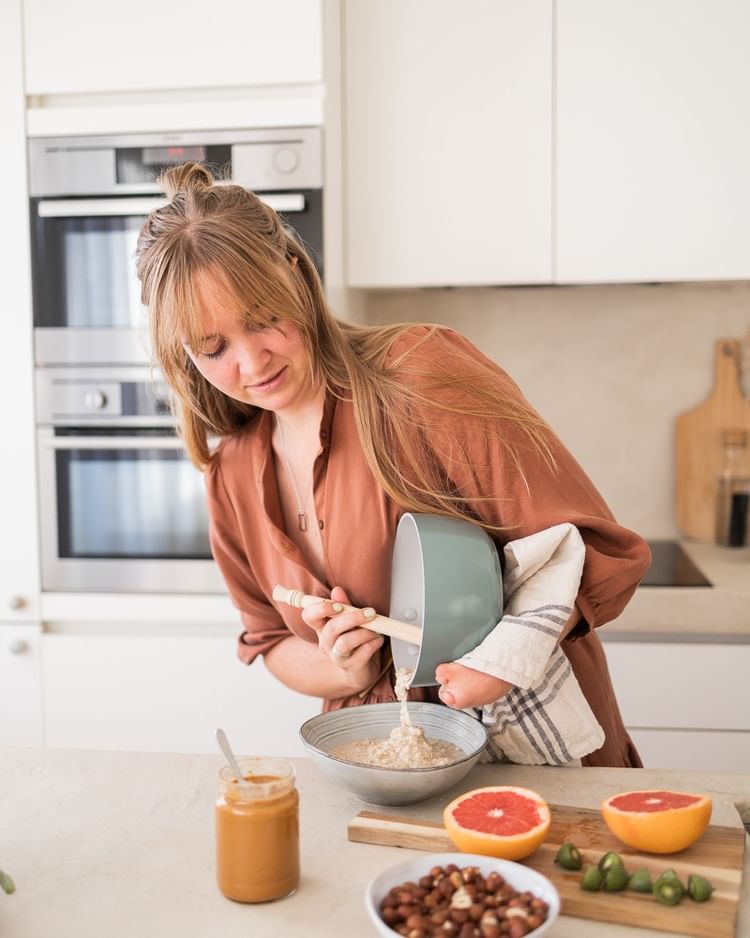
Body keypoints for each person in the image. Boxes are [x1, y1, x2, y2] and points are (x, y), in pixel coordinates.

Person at [135, 162, 651, 768]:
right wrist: (336, 666)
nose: (251, 362)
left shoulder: (421, 376)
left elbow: (594, 554)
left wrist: (501, 662)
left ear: (296, 275)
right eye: (214, 347)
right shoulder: (231, 476)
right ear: (184, 354)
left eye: (262, 317)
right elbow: (271, 644)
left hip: (536, 767)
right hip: (380, 771)